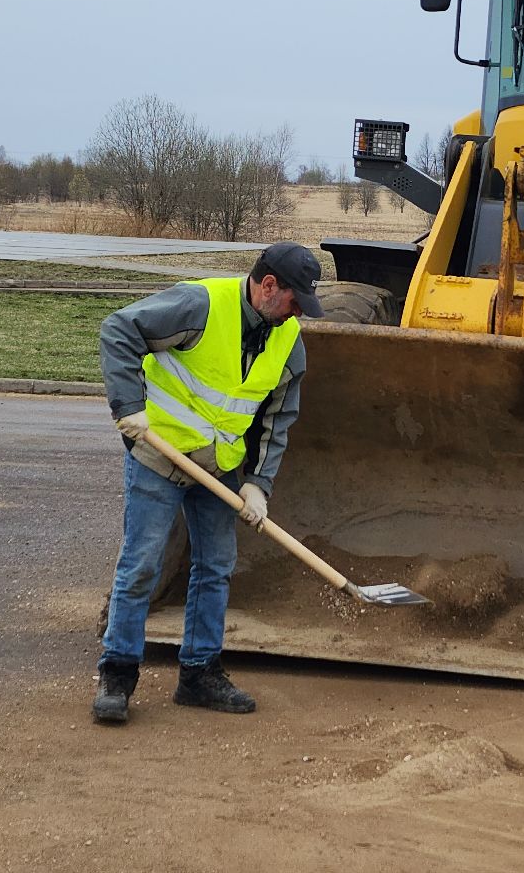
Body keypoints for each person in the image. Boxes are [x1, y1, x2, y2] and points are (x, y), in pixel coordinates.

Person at [90, 242, 323, 724]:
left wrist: (258, 483)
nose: (298, 311)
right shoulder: (200, 304)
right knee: (140, 567)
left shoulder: (288, 341)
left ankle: (199, 674)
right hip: (159, 455)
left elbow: (277, 419)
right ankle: (117, 675)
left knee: (215, 568)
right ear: (268, 285)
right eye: (293, 299)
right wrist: (128, 406)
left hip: (218, 470)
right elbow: (119, 329)